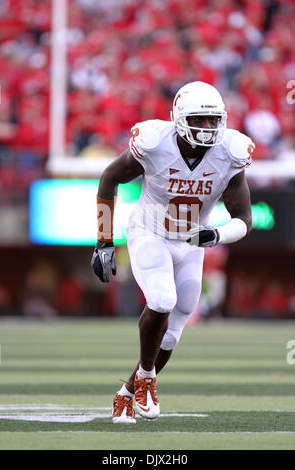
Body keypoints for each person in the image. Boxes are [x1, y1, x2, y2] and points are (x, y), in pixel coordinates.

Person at [91, 81, 254, 424]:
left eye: (213, 121)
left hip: (192, 243)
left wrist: (217, 235)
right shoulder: (154, 143)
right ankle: (147, 380)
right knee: (162, 299)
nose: (208, 128)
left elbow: (244, 220)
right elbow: (109, 178)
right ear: (179, 118)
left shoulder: (231, 152)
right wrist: (104, 240)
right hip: (150, 232)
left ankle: (125, 395)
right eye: (199, 119)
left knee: (179, 319)